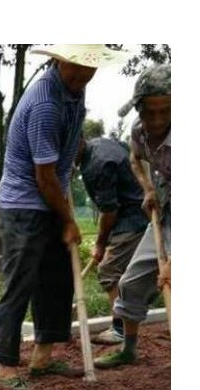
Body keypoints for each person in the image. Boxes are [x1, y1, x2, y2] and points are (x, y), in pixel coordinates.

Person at [0, 44, 129, 390]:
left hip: (51, 197)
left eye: (89, 67)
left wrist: (63, 207)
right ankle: (6, 366)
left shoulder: (74, 92)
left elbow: (62, 159)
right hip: (23, 205)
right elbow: (44, 177)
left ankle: (43, 358)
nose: (82, 74)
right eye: (74, 65)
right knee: (19, 284)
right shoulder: (46, 104)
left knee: (57, 279)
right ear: (57, 60)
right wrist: (69, 220)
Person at [94, 63, 171, 369]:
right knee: (130, 282)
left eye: (165, 111)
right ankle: (128, 349)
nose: (157, 120)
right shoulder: (139, 131)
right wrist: (148, 189)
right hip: (166, 210)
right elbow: (135, 158)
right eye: (150, 112)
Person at [75, 135, 149, 344]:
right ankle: (127, 323)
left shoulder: (98, 165)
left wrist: (100, 244)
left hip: (132, 219)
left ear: (77, 141)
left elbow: (109, 211)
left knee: (109, 270)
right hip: (137, 212)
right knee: (132, 274)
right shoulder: (100, 145)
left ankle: (120, 329)